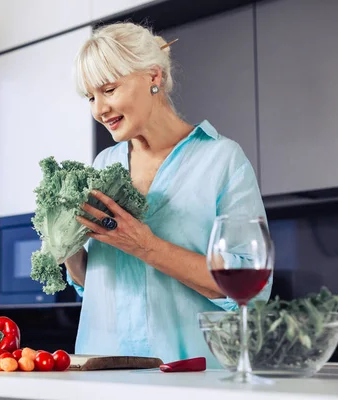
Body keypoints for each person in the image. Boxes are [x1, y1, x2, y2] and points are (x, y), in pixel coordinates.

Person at [64, 22, 272, 366]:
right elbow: (97, 284)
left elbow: (251, 289)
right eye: (90, 97)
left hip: (191, 377)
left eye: (109, 89)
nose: (98, 109)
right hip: (101, 373)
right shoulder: (102, 164)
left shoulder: (221, 160)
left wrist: (146, 246)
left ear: (153, 77)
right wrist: (66, 249)